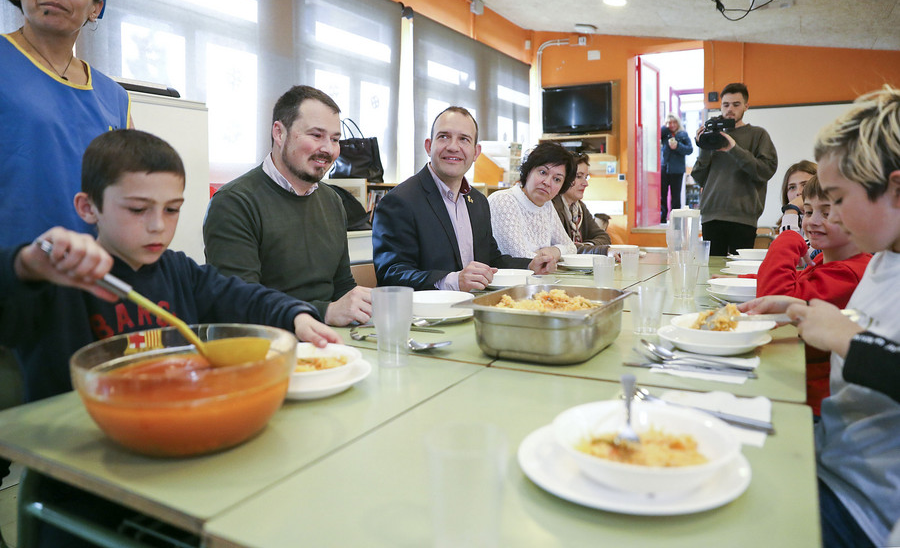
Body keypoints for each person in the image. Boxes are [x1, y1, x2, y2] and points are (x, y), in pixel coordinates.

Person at [0, 129, 340, 404]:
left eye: (171, 209)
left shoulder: (179, 271)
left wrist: (296, 315)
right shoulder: (57, 278)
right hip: (81, 461)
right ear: (88, 208)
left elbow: (245, 298)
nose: (157, 226)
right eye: (137, 209)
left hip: (170, 431)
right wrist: (27, 265)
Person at [741, 86, 900, 548]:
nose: (829, 217)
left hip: (862, 509)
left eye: (838, 201)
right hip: (830, 459)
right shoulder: (885, 256)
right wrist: (801, 309)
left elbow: (866, 341)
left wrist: (850, 339)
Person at [203, 85, 371, 326]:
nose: (328, 149)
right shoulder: (234, 202)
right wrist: (325, 312)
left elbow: (342, 285)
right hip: (268, 348)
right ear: (279, 133)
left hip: (328, 342)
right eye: (316, 135)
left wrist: (363, 306)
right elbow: (238, 304)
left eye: (335, 139)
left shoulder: (333, 200)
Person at [1, 0, 132, 246]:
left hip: (90, 274)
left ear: (96, 7)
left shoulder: (114, 98)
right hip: (12, 275)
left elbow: (127, 193)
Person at [372, 107, 552, 291]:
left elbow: (491, 260)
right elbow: (391, 274)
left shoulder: (479, 201)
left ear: (475, 152)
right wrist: (452, 281)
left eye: (464, 139)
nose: (453, 146)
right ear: (428, 146)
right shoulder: (399, 201)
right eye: (443, 136)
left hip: (476, 307)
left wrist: (529, 266)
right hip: (428, 315)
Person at [749, 175, 871, 416]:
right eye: (808, 212)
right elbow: (794, 286)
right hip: (798, 373)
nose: (812, 222)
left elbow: (776, 297)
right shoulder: (825, 260)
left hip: (812, 397)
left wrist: (788, 238)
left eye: (826, 213)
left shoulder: (847, 272)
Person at [691, 83, 778, 256]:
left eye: (736, 104)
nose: (730, 109)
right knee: (712, 272)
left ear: (746, 106)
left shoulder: (758, 134)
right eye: (726, 104)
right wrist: (704, 147)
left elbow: (765, 170)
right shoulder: (713, 136)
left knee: (739, 273)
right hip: (711, 216)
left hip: (743, 217)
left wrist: (733, 148)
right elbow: (700, 178)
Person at [488, 142, 577, 260]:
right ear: (529, 171)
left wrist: (553, 251)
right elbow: (520, 258)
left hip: (536, 276)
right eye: (543, 172)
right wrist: (543, 257)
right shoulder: (504, 201)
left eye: (557, 179)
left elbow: (571, 247)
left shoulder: (547, 205)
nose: (547, 183)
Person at [552, 153, 611, 253]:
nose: (585, 183)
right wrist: (588, 248)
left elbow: (604, 237)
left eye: (586, 177)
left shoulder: (580, 207)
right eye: (579, 176)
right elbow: (564, 248)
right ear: (563, 178)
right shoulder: (552, 207)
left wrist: (586, 246)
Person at [659, 114, 694, 224]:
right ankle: (662, 219)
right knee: (662, 195)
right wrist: (665, 127)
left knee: (676, 197)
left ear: (678, 123)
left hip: (677, 170)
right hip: (664, 167)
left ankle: (676, 222)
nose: (672, 125)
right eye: (669, 123)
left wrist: (678, 146)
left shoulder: (683, 134)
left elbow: (689, 150)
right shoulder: (664, 134)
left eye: (674, 122)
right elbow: (657, 133)